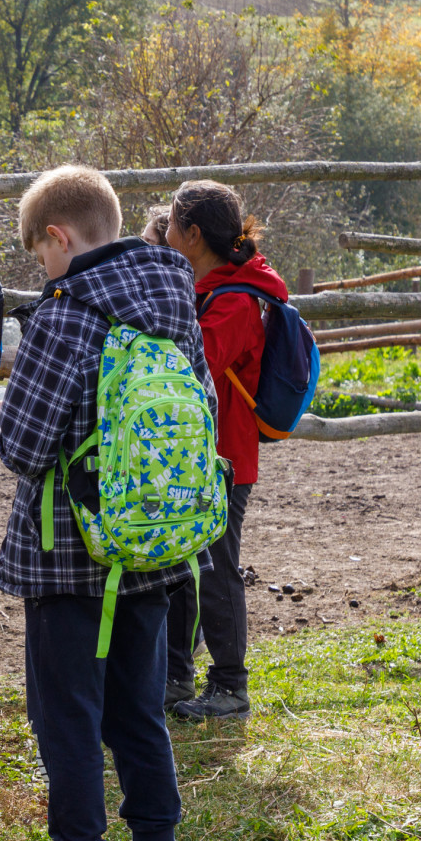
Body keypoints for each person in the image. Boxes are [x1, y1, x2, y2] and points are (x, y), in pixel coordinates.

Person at [0, 165, 204, 841]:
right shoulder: (173, 299)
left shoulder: (67, 310)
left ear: (58, 236)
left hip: (68, 556)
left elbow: (24, 445)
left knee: (69, 723)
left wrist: (9, 402)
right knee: (137, 715)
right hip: (153, 546)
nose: (41, 270)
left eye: (37, 254)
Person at [164, 180, 282, 721]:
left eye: (169, 224)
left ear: (192, 235)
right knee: (188, 565)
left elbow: (194, 364)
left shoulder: (234, 302)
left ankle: (231, 685)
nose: (164, 234)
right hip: (205, 454)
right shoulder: (218, 288)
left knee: (217, 568)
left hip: (225, 459)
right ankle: (177, 675)